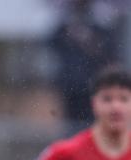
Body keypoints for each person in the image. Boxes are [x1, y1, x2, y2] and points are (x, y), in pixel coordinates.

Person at [50, 0, 117, 132]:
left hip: (91, 84)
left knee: (90, 121)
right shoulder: (65, 25)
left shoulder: (100, 24)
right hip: (70, 85)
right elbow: (53, 44)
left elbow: (108, 52)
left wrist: (89, 40)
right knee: (70, 123)